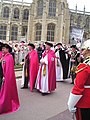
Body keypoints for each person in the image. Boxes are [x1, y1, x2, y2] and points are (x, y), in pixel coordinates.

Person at [68, 39, 90, 120]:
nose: (81, 52)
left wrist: (71, 103)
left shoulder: (84, 66)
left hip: (85, 100)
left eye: (83, 49)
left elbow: (78, 87)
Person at [0, 43, 20, 115]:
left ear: (7, 49)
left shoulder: (9, 57)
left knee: (6, 91)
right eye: (2, 48)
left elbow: (9, 69)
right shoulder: (4, 56)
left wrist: (5, 77)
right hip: (2, 75)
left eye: (4, 48)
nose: (2, 49)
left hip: (6, 77)